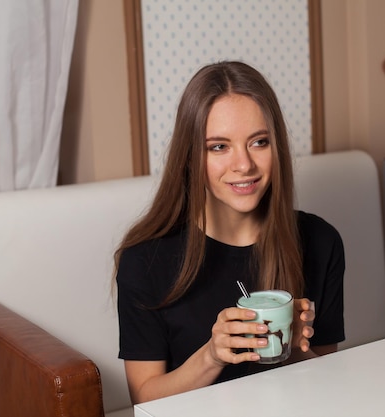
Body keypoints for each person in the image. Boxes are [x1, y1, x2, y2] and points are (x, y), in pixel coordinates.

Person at [115, 60, 345, 404]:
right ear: (191, 157)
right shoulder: (144, 260)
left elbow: (329, 387)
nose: (244, 165)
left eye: (259, 142)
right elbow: (145, 399)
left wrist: (294, 349)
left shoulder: (321, 242)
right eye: (219, 146)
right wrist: (212, 356)